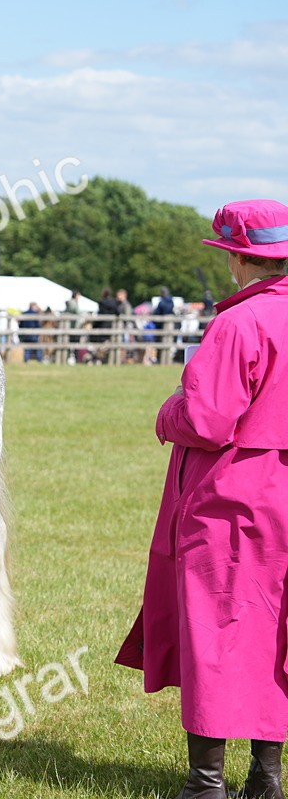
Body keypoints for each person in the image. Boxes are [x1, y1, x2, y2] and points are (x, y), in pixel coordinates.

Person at [116, 199, 288, 799]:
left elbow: (209, 420)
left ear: (243, 259)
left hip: (232, 499)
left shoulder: (239, 323)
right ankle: (267, 776)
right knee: (278, 633)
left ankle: (205, 781)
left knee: (216, 628)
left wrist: (168, 411)